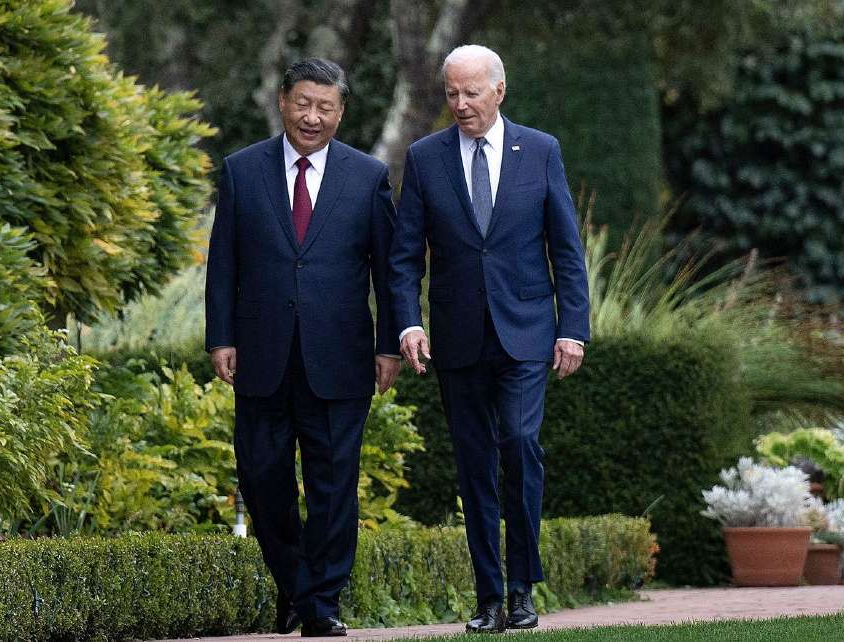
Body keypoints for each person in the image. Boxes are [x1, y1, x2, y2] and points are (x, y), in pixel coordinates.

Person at [388, 44, 590, 633]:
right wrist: (408, 320)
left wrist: (573, 328)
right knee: (474, 465)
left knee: (522, 445)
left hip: (526, 332)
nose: (460, 104)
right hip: (457, 338)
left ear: (500, 91)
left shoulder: (541, 150)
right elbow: (404, 257)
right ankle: (488, 598)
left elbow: (566, 251)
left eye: (471, 92)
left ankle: (523, 588)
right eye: (451, 93)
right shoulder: (425, 158)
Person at [205, 58, 401, 637]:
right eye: (303, 103)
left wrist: (389, 344)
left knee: (334, 484)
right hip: (262, 356)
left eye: (326, 107)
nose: (312, 117)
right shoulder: (242, 171)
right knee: (262, 478)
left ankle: (321, 606)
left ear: (341, 112)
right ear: (283, 101)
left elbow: (389, 273)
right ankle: (295, 584)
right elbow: (223, 264)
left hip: (340, 358)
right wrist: (221, 336)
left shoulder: (367, 177)